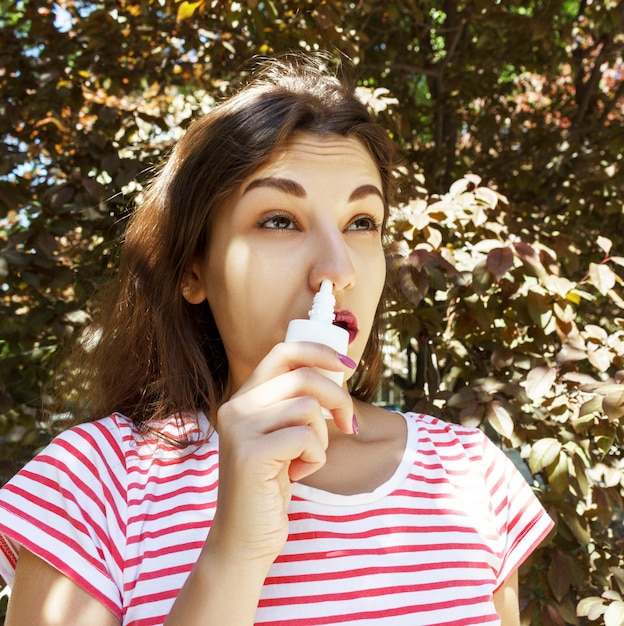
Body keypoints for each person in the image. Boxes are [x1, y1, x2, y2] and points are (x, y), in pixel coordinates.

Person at [0, 53, 553, 626]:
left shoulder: (469, 476)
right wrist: (233, 554)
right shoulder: (92, 486)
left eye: (361, 222)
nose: (336, 270)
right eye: (279, 220)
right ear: (193, 270)